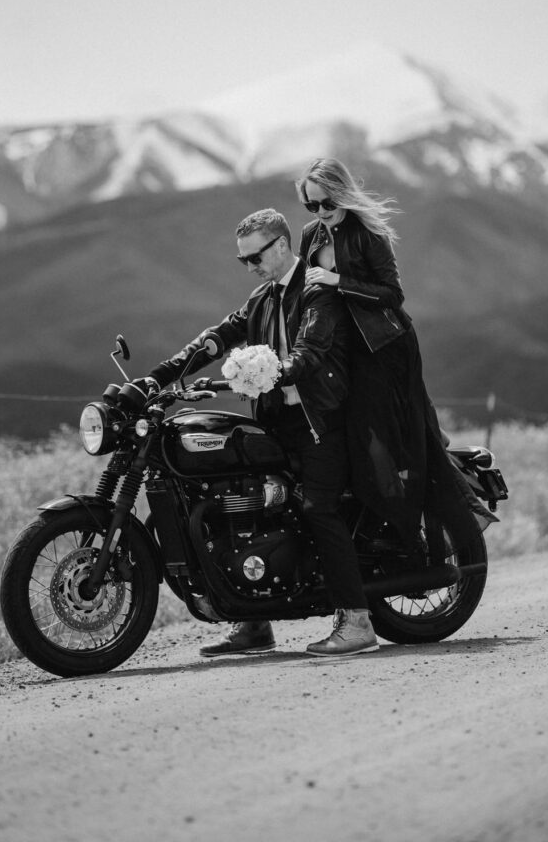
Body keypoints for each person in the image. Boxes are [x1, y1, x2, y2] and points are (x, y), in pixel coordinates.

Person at [146, 208, 379, 658]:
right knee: (240, 503)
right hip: (276, 422)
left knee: (317, 508)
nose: (249, 266)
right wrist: (158, 377)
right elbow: (215, 338)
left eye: (255, 257)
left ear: (281, 246)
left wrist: (270, 371)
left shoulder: (315, 289)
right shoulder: (261, 298)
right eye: (242, 261)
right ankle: (253, 624)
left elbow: (312, 352)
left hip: (319, 421)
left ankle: (357, 621)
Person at [296, 158, 496, 558]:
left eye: (326, 202)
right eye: (311, 205)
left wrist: (340, 282)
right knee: (354, 436)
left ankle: (416, 522)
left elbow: (392, 294)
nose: (320, 211)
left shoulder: (369, 233)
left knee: (382, 436)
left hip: (385, 348)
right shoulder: (310, 236)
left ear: (342, 193)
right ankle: (378, 520)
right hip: (341, 351)